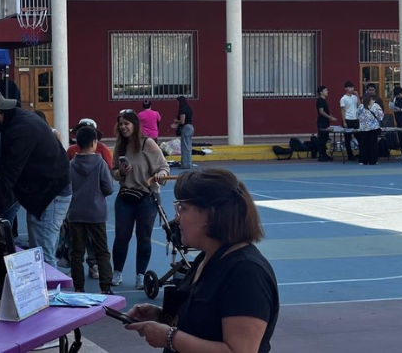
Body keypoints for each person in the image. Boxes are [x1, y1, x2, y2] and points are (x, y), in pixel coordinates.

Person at [123, 169, 279, 353]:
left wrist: (170, 337)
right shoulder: (206, 259)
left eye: (183, 209)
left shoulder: (246, 273)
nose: (177, 218)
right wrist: (162, 316)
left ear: (209, 215)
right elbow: (206, 320)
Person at [0, 87, 71, 268]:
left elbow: (8, 178)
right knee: (39, 252)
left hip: (50, 194)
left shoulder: (21, 129)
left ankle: (51, 294)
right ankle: (46, 293)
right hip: (44, 191)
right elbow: (2, 164)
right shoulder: (13, 122)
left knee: (44, 257)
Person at [111, 109, 170, 289]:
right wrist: (120, 173)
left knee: (144, 237)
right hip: (125, 197)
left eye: (126, 124)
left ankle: (140, 275)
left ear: (135, 125)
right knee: (122, 236)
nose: (123, 127)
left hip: (146, 198)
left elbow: (164, 167)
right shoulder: (119, 147)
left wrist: (160, 174)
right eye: (120, 124)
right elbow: (113, 172)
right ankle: (117, 272)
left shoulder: (148, 144)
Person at [68, 126, 114, 294]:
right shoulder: (100, 163)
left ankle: (79, 287)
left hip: (76, 213)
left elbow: (66, 189)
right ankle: (105, 287)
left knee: (76, 253)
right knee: (102, 251)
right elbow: (108, 188)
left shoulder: (71, 164)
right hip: (96, 213)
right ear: (95, 143)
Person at [357, 94, 383, 165]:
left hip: (363, 128)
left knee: (364, 144)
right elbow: (381, 116)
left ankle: (363, 160)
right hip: (374, 128)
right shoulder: (376, 106)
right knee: (373, 144)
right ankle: (373, 160)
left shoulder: (361, 107)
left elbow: (357, 115)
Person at [315, 86, 338, 162]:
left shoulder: (324, 100)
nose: (327, 91)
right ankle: (321, 155)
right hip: (322, 122)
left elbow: (327, 111)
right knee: (322, 139)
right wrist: (330, 117)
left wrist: (332, 117)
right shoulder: (320, 100)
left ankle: (324, 154)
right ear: (321, 92)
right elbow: (321, 112)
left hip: (326, 122)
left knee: (325, 138)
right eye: (325, 90)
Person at [171, 96, 194, 169]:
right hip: (191, 127)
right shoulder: (188, 108)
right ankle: (188, 163)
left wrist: (176, 121)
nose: (177, 103)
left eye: (177, 102)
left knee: (185, 147)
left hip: (186, 128)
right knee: (188, 146)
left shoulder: (183, 109)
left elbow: (182, 121)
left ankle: (186, 164)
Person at [389, 86, 402, 162]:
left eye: (399, 95)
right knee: (400, 139)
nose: (399, 96)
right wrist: (392, 97)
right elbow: (390, 106)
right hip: (398, 122)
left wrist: (400, 110)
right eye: (396, 95)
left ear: (401, 93)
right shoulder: (395, 99)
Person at [340, 81, 360, 161]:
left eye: (352, 87)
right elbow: (342, 111)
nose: (351, 89)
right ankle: (350, 155)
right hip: (348, 119)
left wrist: (357, 96)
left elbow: (359, 105)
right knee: (347, 139)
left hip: (355, 119)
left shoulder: (354, 97)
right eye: (349, 87)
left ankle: (361, 153)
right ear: (346, 89)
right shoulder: (343, 98)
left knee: (359, 137)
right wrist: (344, 121)